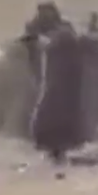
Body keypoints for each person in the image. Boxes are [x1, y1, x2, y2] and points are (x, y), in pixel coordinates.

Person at [29, 12, 86, 163]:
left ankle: (57, 152)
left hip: (58, 84)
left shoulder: (59, 38)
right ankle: (58, 151)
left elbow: (54, 59)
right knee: (59, 117)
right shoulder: (64, 34)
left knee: (50, 117)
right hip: (64, 84)